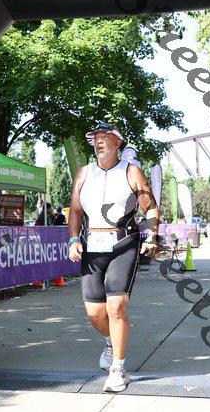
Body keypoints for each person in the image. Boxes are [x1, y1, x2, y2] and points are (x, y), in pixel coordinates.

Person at [68, 121, 160, 393]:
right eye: (95, 138)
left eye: (104, 137)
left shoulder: (131, 171)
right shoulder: (84, 173)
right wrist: (73, 239)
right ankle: (110, 342)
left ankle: (118, 369)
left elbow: (150, 207)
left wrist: (152, 235)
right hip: (92, 245)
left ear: (117, 142)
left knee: (116, 307)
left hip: (123, 243)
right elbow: (75, 210)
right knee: (95, 312)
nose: (98, 141)